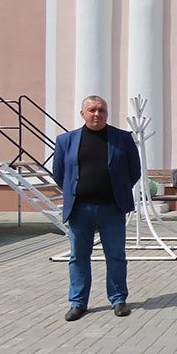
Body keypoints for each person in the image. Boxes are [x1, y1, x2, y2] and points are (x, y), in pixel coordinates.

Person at [53, 95, 141, 322]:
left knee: (116, 256)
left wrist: (118, 190)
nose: (97, 114)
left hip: (112, 208)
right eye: (92, 110)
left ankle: (118, 299)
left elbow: (134, 171)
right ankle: (78, 302)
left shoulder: (122, 139)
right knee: (78, 257)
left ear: (107, 113)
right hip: (80, 209)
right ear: (82, 113)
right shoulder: (65, 141)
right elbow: (59, 174)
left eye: (101, 110)